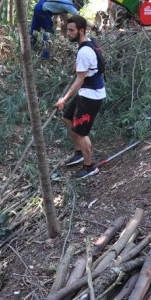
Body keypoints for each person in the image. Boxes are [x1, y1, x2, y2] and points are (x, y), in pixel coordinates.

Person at [55, 15, 106, 179]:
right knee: (67, 118)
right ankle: (79, 153)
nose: (68, 33)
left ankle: (89, 167)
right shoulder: (88, 43)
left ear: (81, 31)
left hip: (91, 96)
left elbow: (79, 80)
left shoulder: (84, 51)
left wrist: (64, 99)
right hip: (87, 92)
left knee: (82, 132)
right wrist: (78, 65)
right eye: (67, 30)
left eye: (71, 30)